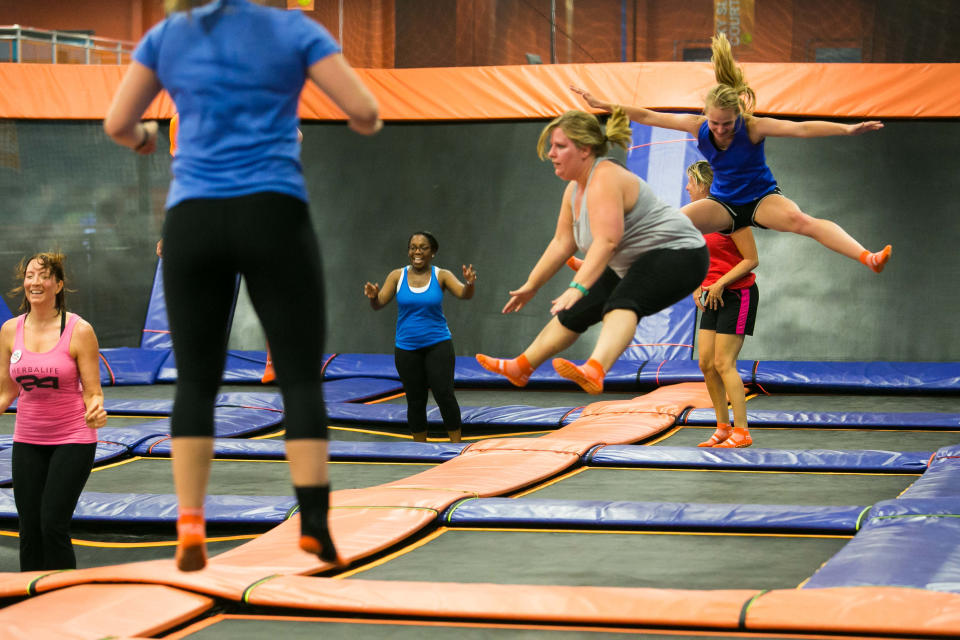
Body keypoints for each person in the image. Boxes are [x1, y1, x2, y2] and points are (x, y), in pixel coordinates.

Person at [104, 0, 382, 572]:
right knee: (301, 378)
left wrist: (143, 139)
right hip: (273, 213)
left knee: (196, 383)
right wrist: (349, 119)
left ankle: (189, 525)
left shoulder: (168, 35)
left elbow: (117, 124)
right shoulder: (293, 29)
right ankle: (314, 525)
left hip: (194, 219)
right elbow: (364, 110)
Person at [571, 32, 891, 274]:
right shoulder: (698, 126)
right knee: (667, 224)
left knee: (801, 220)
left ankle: (868, 257)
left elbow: (801, 128)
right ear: (706, 116)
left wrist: (847, 129)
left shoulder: (753, 127)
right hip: (723, 203)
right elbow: (648, 115)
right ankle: (597, 265)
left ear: (737, 116)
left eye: (727, 124)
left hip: (760, 200)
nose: (721, 130)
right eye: (715, 123)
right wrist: (603, 104)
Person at [476, 109, 709, 394]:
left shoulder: (605, 178)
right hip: (638, 260)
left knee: (622, 302)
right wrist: (531, 286)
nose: (551, 154)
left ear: (585, 150)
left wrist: (577, 286)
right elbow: (562, 243)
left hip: (681, 254)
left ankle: (596, 369)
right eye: (551, 146)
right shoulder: (574, 192)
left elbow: (606, 242)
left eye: (560, 146)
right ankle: (522, 366)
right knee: (576, 311)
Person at [0, 252, 108, 571]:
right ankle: (30, 600)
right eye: (30, 275)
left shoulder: (79, 330)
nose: (35, 282)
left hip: (73, 438)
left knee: (52, 524)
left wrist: (96, 409)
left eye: (44, 276)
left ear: (57, 285)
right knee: (29, 528)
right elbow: (7, 389)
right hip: (28, 439)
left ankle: (63, 599)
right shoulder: (9, 330)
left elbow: (92, 392)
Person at [364, 232, 477, 443]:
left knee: (444, 395)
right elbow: (379, 303)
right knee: (415, 400)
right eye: (413, 247)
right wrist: (373, 297)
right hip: (406, 348)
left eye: (423, 247)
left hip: (438, 345)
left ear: (432, 252)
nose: (417, 252)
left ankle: (456, 445)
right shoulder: (396, 276)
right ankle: (419, 447)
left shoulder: (441, 275)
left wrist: (469, 284)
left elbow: (463, 294)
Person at [684, 161, 757, 448]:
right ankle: (723, 427)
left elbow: (751, 259)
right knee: (706, 364)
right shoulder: (697, 220)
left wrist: (720, 283)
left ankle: (742, 431)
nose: (687, 188)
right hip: (712, 294)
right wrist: (697, 285)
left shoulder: (730, 215)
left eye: (690, 182)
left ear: (704, 185)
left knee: (724, 362)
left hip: (738, 293)